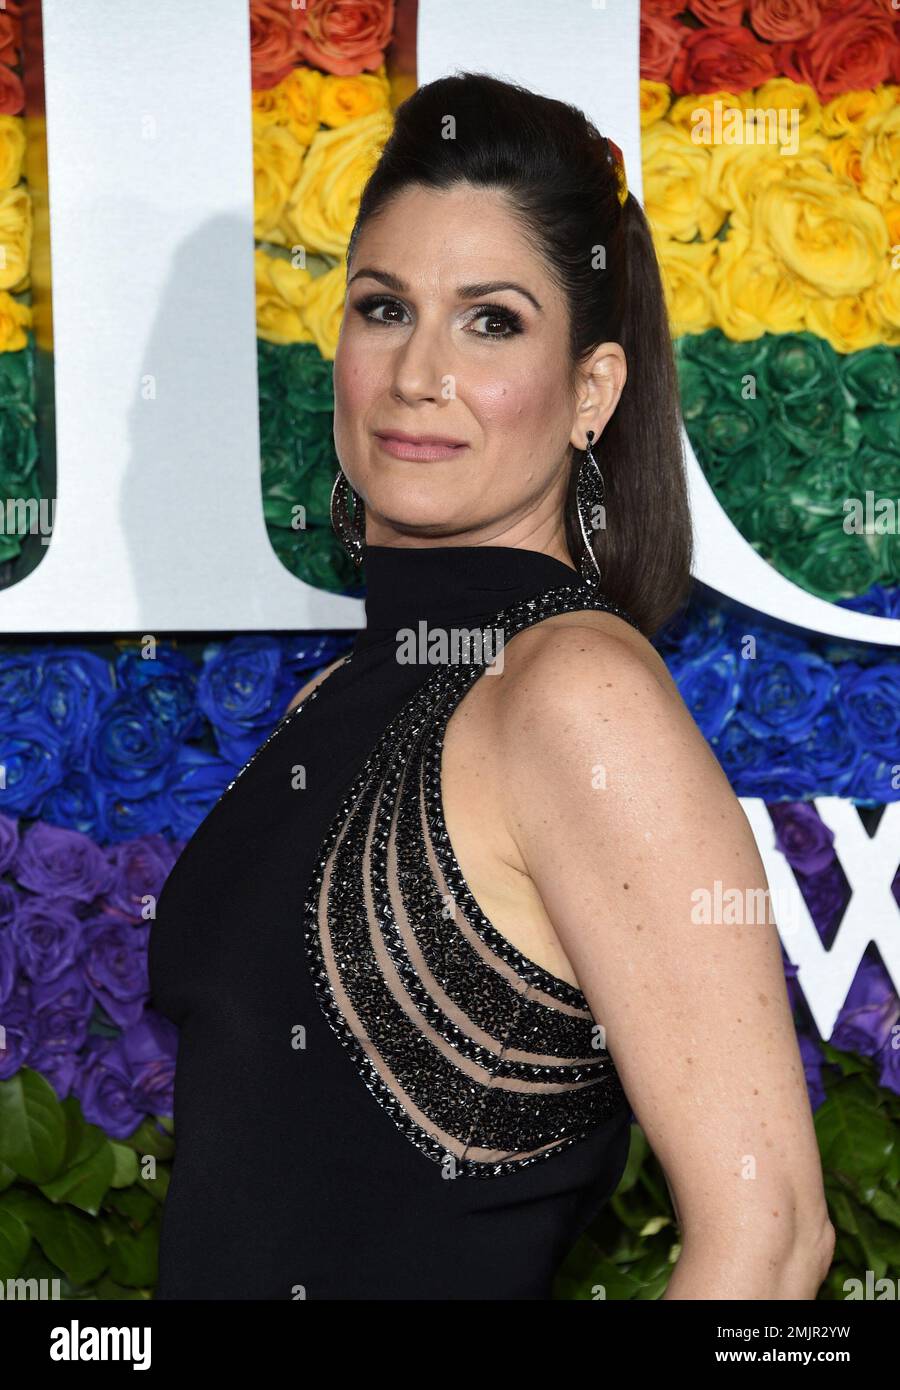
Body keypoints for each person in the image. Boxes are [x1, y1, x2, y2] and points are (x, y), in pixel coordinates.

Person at [148, 71, 834, 1300]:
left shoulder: (574, 693)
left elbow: (772, 1244)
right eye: (383, 307)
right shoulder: (345, 700)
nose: (419, 373)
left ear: (592, 392)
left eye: (492, 321)